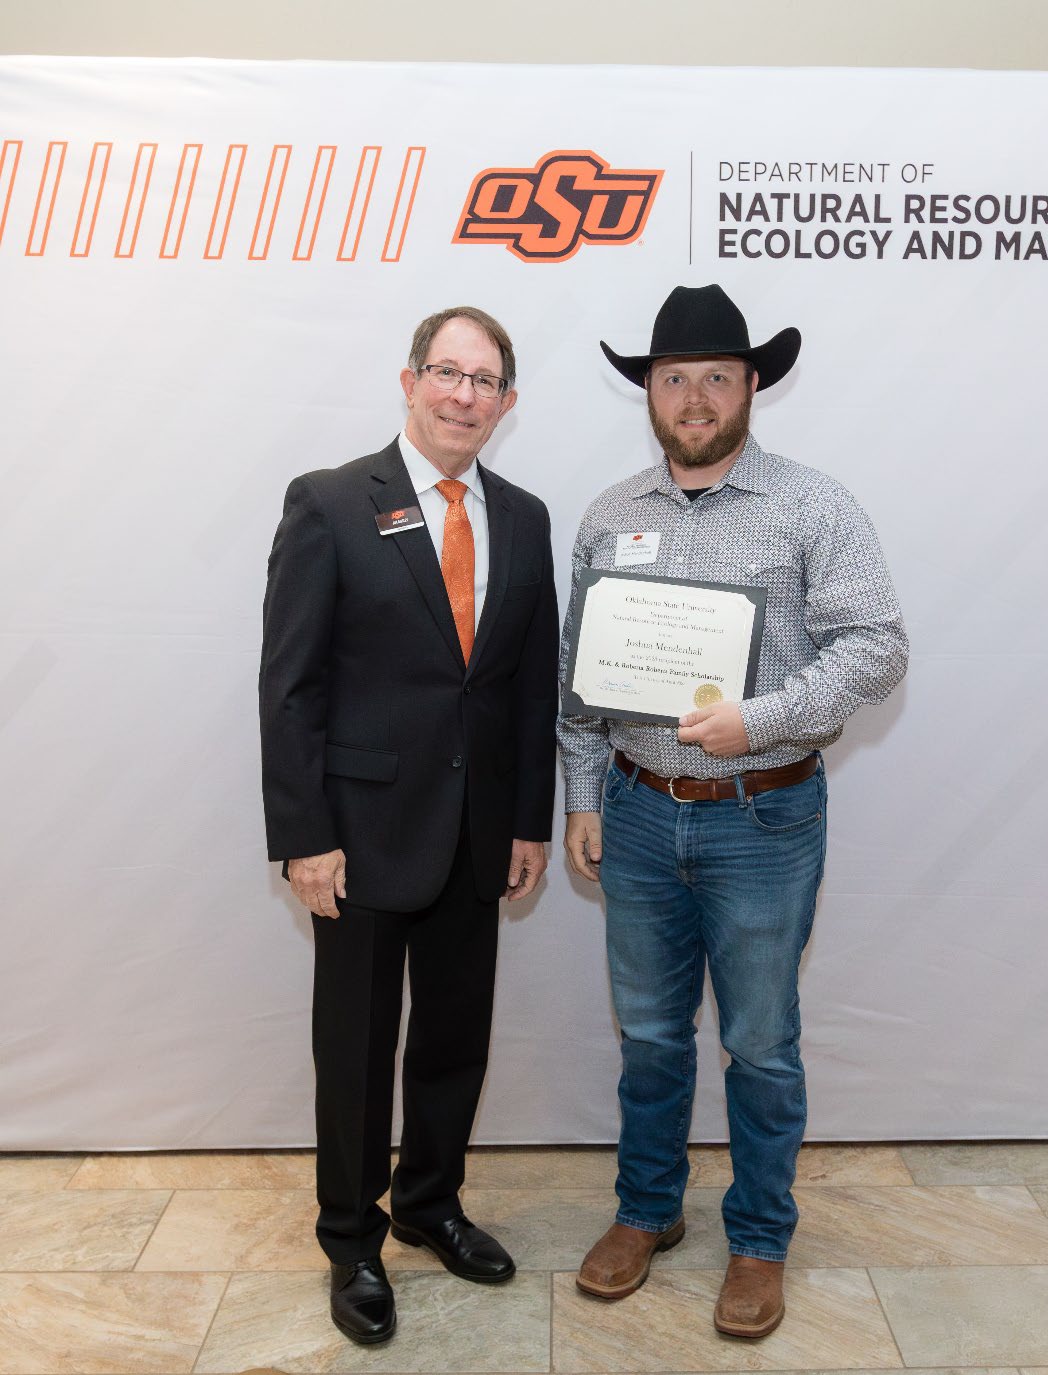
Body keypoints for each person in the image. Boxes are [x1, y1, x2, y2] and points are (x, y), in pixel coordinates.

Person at [557, 283, 907, 1339]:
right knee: (650, 1035)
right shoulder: (608, 515)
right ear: (649, 392)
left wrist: (758, 718)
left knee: (759, 1042)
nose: (696, 397)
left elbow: (877, 648)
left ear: (752, 384)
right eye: (675, 378)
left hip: (763, 819)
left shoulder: (813, 506)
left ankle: (757, 1236)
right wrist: (583, 796)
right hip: (634, 813)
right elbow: (579, 684)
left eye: (717, 376)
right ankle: (646, 1211)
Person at [259, 306, 558, 1345]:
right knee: (354, 1049)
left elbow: (528, 683)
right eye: (447, 372)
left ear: (506, 403)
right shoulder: (332, 502)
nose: (464, 395)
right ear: (410, 380)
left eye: (485, 381)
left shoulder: (524, 517)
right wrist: (304, 835)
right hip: (358, 836)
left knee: (452, 1039)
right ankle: (351, 1239)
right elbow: (290, 685)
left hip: (477, 834)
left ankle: (431, 1203)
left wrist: (528, 819)